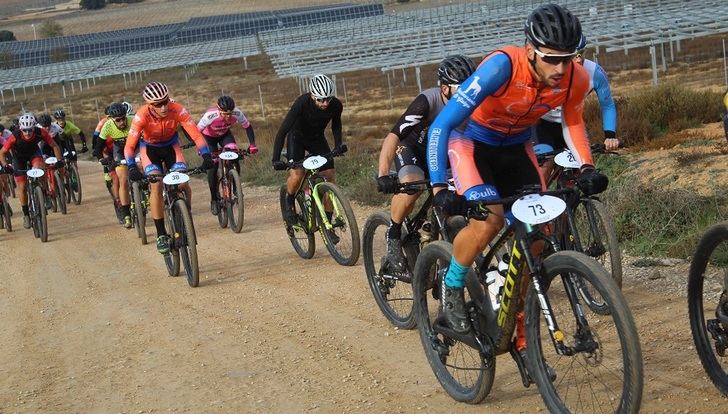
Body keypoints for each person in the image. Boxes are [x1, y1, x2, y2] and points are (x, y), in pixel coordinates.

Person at [427, 4, 607, 362]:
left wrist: (586, 167)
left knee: (538, 232)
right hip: (471, 144)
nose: (560, 69)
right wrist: (439, 189)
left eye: (568, 59)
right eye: (550, 59)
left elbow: (573, 121)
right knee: (489, 220)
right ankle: (452, 285)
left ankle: (515, 312)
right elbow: (441, 126)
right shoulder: (501, 66)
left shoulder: (577, 78)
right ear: (530, 50)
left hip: (516, 149)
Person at [376, 55, 476, 273]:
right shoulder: (428, 101)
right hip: (413, 150)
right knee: (413, 186)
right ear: (444, 88)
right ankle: (393, 233)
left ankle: (436, 236)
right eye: (461, 89)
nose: (467, 94)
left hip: (445, 154)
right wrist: (383, 174)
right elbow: (393, 136)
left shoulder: (474, 104)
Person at [124, 81, 214, 254]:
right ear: (150, 105)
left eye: (165, 101)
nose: (164, 107)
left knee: (182, 182)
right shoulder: (141, 116)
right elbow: (129, 147)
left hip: (171, 147)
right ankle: (161, 234)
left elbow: (196, 134)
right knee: (156, 185)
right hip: (149, 149)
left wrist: (206, 155)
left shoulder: (177, 109)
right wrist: (132, 167)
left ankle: (185, 215)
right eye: (158, 104)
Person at [535, 33, 619, 179]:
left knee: (581, 172)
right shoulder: (548, 70)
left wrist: (610, 136)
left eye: (581, 53)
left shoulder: (594, 72)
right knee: (544, 166)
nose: (578, 59)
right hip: (543, 125)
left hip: (572, 125)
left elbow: (607, 105)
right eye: (574, 55)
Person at [271, 74, 346, 226]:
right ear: (313, 96)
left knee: (329, 174)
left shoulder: (336, 105)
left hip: (316, 138)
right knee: (298, 173)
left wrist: (338, 145)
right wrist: (275, 159)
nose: (325, 103)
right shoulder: (301, 103)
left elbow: (336, 125)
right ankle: (289, 200)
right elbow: (282, 131)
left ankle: (327, 223)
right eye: (320, 99)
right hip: (296, 138)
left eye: (328, 99)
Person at [197, 95, 258, 215]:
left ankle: (236, 188)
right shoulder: (210, 115)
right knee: (212, 166)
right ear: (219, 110)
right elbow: (196, 132)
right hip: (209, 138)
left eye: (230, 113)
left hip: (224, 135)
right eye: (225, 113)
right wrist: (202, 149)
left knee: (234, 153)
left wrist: (252, 144)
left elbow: (247, 126)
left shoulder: (237, 113)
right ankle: (214, 198)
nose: (228, 116)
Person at [0, 113, 63, 229]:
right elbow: (2, 152)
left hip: (34, 154)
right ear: (20, 129)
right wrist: (5, 165)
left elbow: (54, 145)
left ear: (34, 127)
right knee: (22, 186)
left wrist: (59, 160)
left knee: (40, 167)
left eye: (30, 130)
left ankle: (44, 193)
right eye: (25, 130)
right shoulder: (14, 136)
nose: (27, 133)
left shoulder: (41, 132)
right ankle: (26, 215)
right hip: (19, 158)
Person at [96, 102, 135, 228]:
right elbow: (98, 145)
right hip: (119, 150)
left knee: (143, 168)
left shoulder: (133, 120)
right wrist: (101, 158)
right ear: (112, 120)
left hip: (135, 147)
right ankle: (126, 214)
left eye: (123, 118)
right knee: (122, 179)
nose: (122, 122)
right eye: (118, 120)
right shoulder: (107, 126)